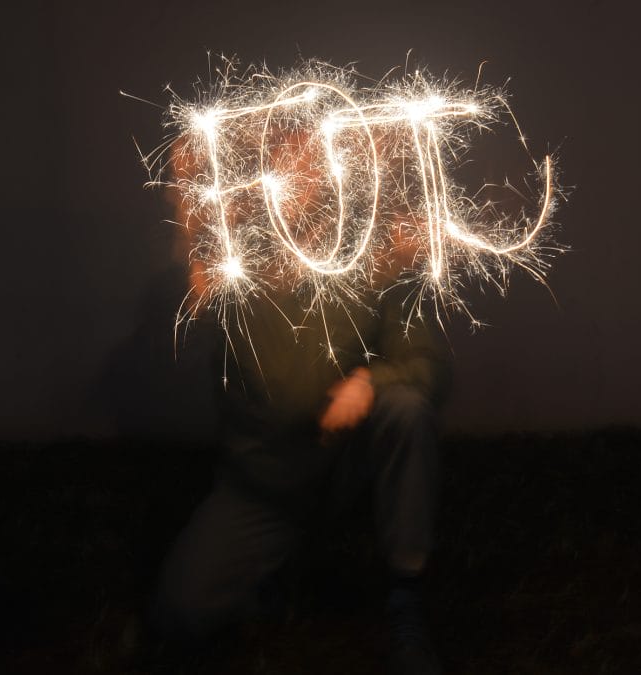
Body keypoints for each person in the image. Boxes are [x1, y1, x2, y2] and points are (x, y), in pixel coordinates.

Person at [148, 131, 452, 675]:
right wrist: (189, 218)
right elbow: (190, 292)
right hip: (265, 485)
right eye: (284, 158)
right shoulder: (233, 260)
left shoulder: (376, 256)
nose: (298, 171)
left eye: (312, 159)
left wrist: (372, 382)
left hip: (346, 467)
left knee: (406, 408)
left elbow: (429, 363)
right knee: (179, 614)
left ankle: (405, 594)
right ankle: (283, 571)